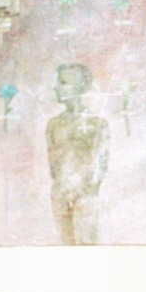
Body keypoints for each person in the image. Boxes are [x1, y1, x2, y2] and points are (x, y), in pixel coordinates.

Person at [45, 62, 109, 244]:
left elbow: (102, 162)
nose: (56, 87)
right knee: (65, 242)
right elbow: (53, 163)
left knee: (86, 242)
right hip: (60, 193)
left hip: (85, 194)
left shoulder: (97, 123)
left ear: (79, 87)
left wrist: (88, 189)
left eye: (63, 82)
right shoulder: (53, 124)